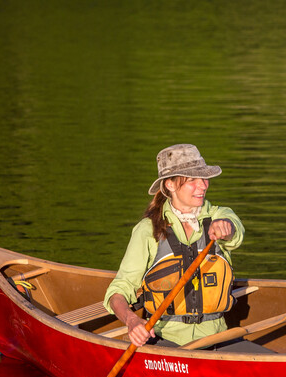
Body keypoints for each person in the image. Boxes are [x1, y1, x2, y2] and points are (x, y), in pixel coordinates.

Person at [104, 144, 245, 348]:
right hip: (166, 340)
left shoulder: (220, 215)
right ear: (169, 185)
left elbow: (235, 232)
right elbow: (118, 292)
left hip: (218, 338)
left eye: (204, 178)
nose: (203, 185)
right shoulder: (147, 230)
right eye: (192, 180)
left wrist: (227, 228)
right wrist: (132, 320)